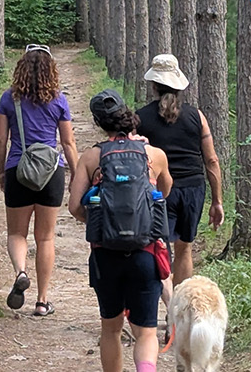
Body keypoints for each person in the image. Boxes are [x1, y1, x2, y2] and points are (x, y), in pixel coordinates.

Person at [70, 89, 173, 372]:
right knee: (147, 331)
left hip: (106, 254)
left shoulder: (92, 157)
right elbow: (164, 192)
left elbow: (74, 206)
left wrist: (99, 221)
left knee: (111, 330)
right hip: (146, 253)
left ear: (99, 123)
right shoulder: (154, 155)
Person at [0, 44, 78, 315]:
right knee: (45, 238)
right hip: (50, 173)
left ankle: (21, 272)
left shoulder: (9, 99)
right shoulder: (59, 100)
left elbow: (0, 139)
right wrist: (76, 174)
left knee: (17, 233)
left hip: (18, 170)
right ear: (50, 70)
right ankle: (42, 301)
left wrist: (2, 170)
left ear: (21, 69)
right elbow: (68, 142)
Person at [135, 53, 224, 288]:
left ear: (153, 85)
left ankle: (164, 303)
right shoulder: (197, 116)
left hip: (159, 192)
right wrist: (217, 201)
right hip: (193, 189)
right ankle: (176, 311)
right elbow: (212, 160)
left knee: (159, 247)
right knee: (184, 248)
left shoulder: (140, 118)